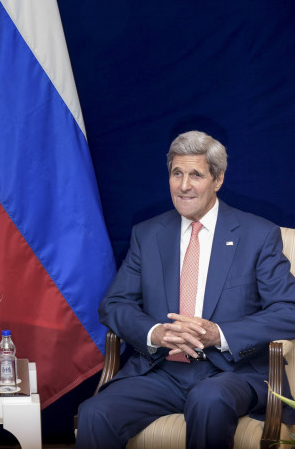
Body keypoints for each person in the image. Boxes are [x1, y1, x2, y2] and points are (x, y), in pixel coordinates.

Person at [76, 131, 295, 448]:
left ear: (217, 179)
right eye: (177, 173)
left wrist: (216, 333)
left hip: (232, 373)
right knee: (94, 413)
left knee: (208, 399)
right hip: (161, 371)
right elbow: (114, 304)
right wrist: (156, 333)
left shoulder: (257, 235)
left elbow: (289, 310)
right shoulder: (148, 234)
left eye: (196, 174)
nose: (183, 186)